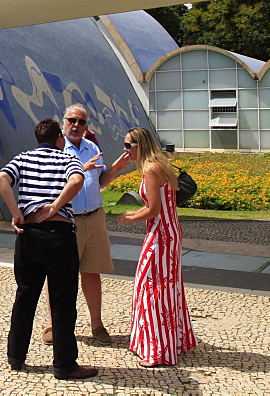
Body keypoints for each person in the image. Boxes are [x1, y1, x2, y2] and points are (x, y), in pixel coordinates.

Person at [0, 118, 99, 380]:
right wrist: (55, 206)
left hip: (28, 235)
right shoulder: (67, 159)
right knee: (63, 300)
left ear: (37, 139)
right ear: (58, 139)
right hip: (59, 235)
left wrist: (16, 213)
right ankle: (64, 364)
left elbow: (2, 179)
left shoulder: (23, 158)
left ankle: (16, 356)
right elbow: (76, 181)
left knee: (25, 295)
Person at [41, 104, 130, 346]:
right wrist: (83, 168)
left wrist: (115, 170)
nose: (76, 125)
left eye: (81, 122)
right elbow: (54, 181)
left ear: (86, 126)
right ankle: (53, 324)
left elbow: (98, 183)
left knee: (92, 272)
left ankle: (97, 325)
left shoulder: (91, 147)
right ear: (63, 123)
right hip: (67, 221)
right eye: (72, 120)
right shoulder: (57, 148)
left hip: (94, 218)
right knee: (59, 275)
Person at [116, 127, 197, 367]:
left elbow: (153, 209)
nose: (125, 149)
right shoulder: (160, 164)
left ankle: (158, 350)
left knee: (152, 289)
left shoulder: (151, 169)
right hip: (170, 232)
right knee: (168, 288)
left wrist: (128, 217)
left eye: (128, 145)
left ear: (140, 145)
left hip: (161, 234)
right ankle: (175, 340)